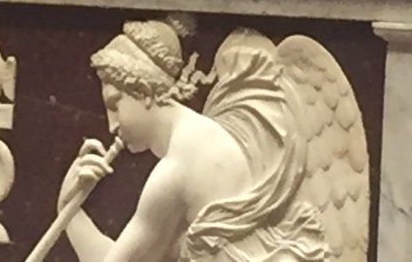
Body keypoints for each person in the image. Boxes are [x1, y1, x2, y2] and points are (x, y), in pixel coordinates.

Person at [53, 18, 324, 262]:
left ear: (144, 91)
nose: (112, 125)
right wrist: (70, 213)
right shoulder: (204, 135)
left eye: (115, 104)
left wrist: (69, 213)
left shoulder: (177, 169)